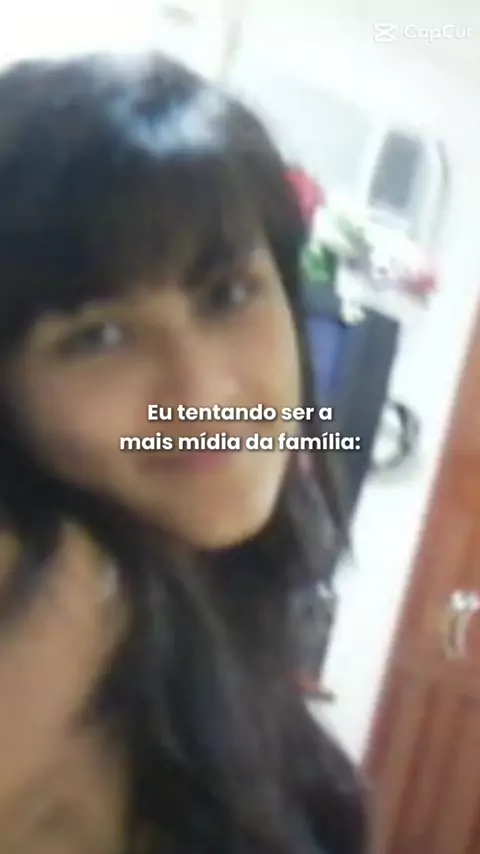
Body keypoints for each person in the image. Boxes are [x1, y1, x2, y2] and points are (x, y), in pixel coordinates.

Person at [0, 53, 369, 854]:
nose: (201, 395)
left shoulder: (198, 591)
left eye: (227, 294)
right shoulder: (45, 591)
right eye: (97, 336)